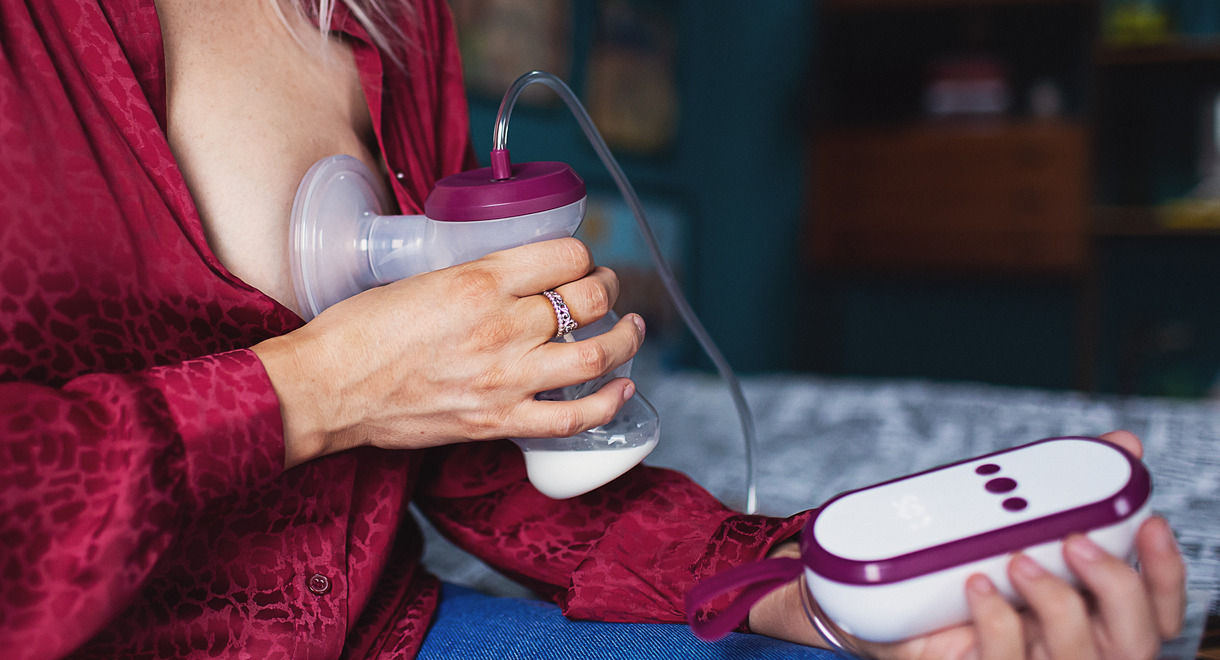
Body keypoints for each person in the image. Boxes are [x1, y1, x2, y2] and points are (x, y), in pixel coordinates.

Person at [0, 1, 1185, 659]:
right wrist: (317, 390)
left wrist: (787, 587)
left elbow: (459, 456)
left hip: (381, 634)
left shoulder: (385, 20)